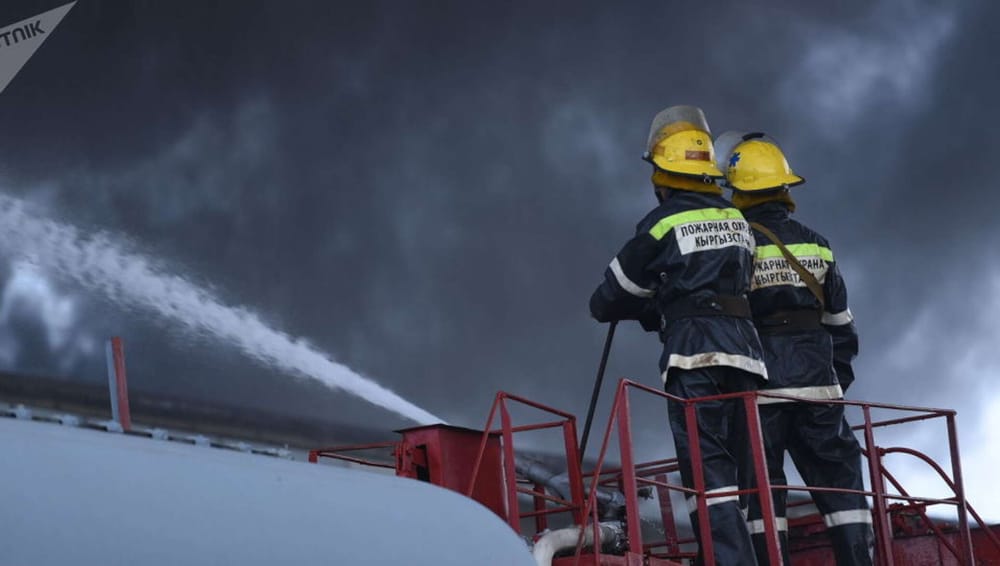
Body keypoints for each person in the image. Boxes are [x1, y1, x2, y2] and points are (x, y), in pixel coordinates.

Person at [590, 106, 767, 565]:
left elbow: (608, 298)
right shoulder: (736, 219)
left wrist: (653, 305)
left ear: (662, 176)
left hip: (695, 355)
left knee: (708, 475)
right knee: (745, 475)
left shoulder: (662, 223)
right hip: (747, 355)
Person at [714, 131, 872, 565]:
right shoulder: (817, 243)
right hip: (819, 384)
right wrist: (833, 380)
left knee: (762, 489)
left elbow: (724, 321)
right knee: (842, 485)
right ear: (785, 188)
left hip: (760, 389)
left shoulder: (735, 244)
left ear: (739, 192)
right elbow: (841, 323)